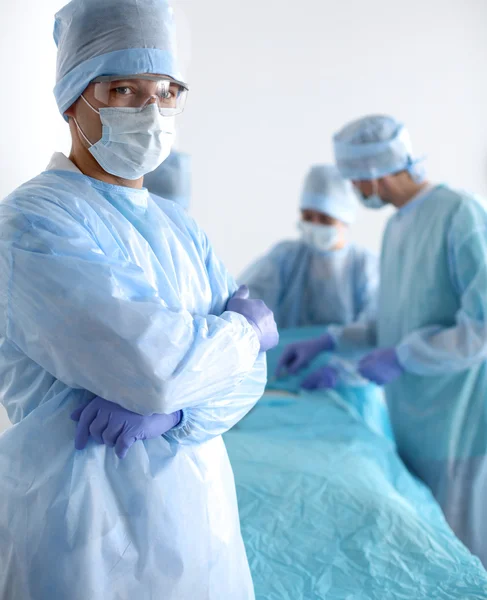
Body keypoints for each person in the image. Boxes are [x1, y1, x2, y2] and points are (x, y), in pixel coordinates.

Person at [0, 1, 278, 598]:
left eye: (166, 90)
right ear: (73, 101)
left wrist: (182, 414)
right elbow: (153, 368)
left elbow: (247, 380)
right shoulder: (32, 223)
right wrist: (245, 331)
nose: (151, 111)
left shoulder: (184, 229)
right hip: (81, 529)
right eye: (123, 89)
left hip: (202, 520)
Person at [278, 114, 487, 567]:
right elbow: (389, 320)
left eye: (354, 180)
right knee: (428, 551)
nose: (353, 191)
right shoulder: (396, 227)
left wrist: (405, 356)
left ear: (373, 172)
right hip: (412, 420)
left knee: (464, 558)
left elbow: (482, 328)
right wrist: (332, 341)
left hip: (460, 423)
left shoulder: (460, 214)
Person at [240, 164, 379, 329]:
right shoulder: (285, 258)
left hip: (350, 354)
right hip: (284, 354)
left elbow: (373, 322)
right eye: (307, 216)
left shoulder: (365, 266)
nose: (315, 224)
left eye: (325, 219)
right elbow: (250, 299)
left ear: (345, 217)